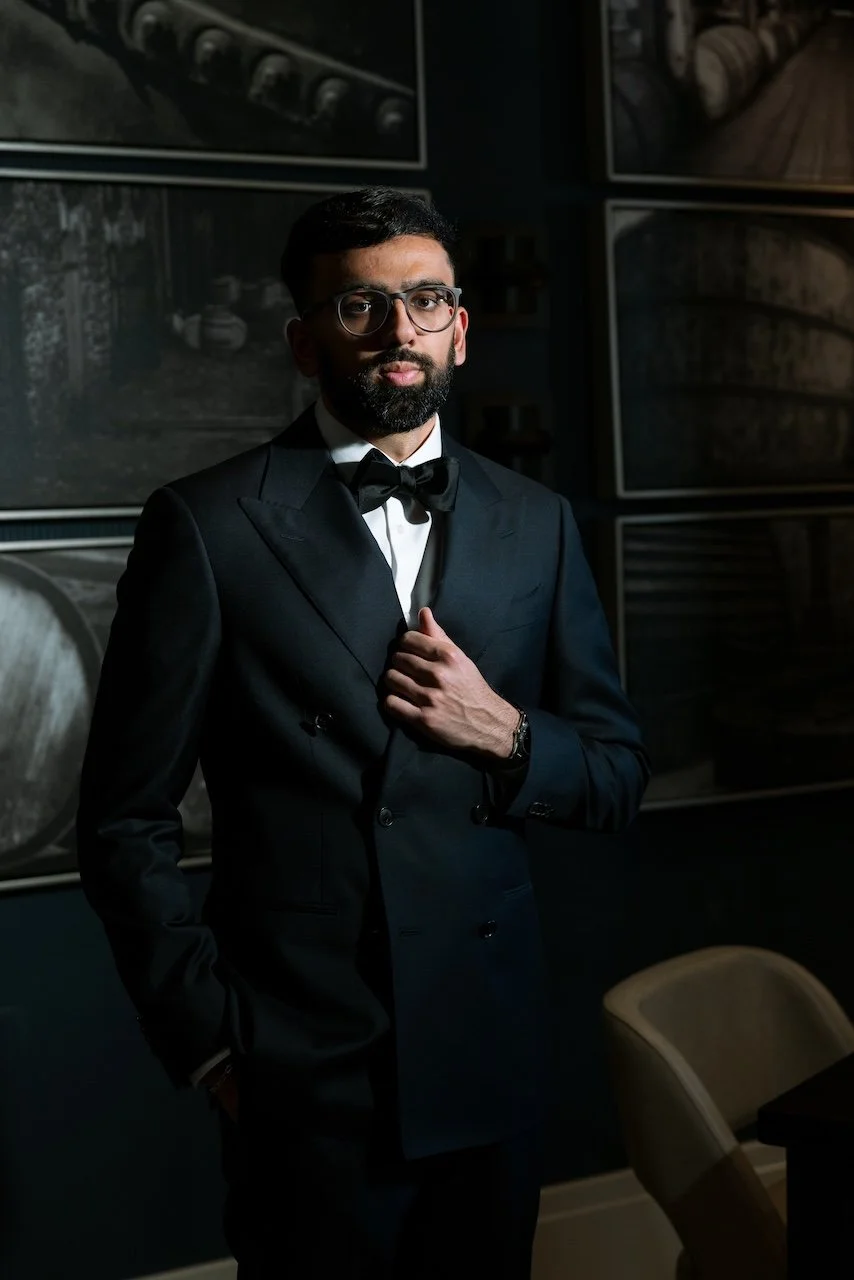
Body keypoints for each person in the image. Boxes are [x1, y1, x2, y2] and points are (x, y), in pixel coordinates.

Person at [76, 185, 649, 1279]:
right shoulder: (205, 524)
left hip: (485, 1048)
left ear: (460, 328)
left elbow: (616, 775)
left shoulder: (535, 523)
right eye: (360, 307)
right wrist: (212, 1045)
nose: (398, 331)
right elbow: (122, 817)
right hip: (304, 1064)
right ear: (302, 340)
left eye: (425, 300)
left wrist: (507, 733)